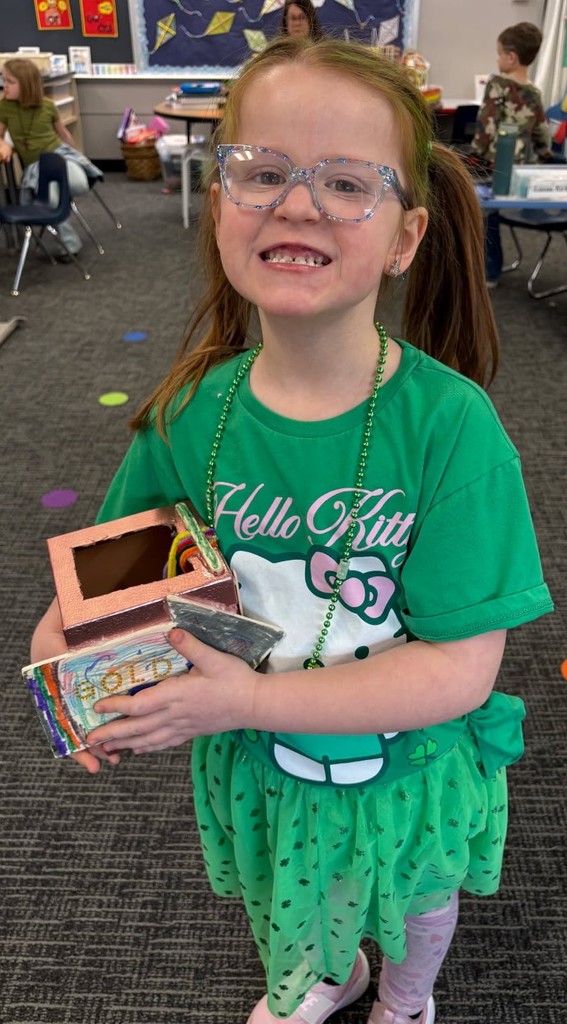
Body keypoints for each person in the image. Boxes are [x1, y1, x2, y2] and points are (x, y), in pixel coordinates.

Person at [31, 36, 553, 1024]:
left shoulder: (449, 428)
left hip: (406, 763)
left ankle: (405, 997)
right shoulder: (191, 417)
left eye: (347, 182)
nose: (297, 202)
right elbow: (106, 593)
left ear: (404, 237)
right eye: (262, 172)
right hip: (263, 765)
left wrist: (247, 704)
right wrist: (63, 660)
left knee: (419, 894)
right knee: (288, 896)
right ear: (221, 206)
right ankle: (327, 975)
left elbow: (458, 671)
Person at [470, 22, 553, 287]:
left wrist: (474, 158)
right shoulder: (534, 92)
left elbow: (486, 127)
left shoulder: (497, 84)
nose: (497, 59)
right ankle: (490, 270)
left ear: (511, 57)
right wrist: (543, 160)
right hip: (521, 175)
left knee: (481, 209)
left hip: (493, 168)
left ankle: (488, 271)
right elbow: (541, 133)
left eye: (499, 53)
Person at [0, 58, 102, 257]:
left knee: (80, 185)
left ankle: (55, 195)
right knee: (53, 201)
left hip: (59, 155)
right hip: (36, 165)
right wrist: (4, 143)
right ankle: (71, 245)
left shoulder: (47, 106)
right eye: (4, 80)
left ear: (26, 84)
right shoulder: (4, 107)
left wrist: (77, 157)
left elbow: (64, 135)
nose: (5, 86)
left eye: (10, 82)